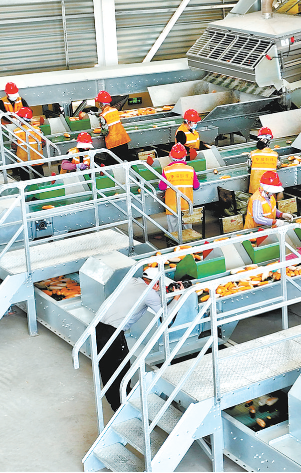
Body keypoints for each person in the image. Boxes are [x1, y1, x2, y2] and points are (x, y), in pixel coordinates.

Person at [94, 267, 172, 411]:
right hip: (113, 333)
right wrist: (177, 298)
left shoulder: (130, 281)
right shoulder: (149, 293)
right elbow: (167, 318)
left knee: (107, 368)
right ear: (156, 282)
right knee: (121, 369)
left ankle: (115, 403)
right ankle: (121, 407)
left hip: (98, 328)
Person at [159, 144, 200, 238]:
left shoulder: (166, 170)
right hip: (187, 205)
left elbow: (161, 187)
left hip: (172, 207)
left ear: (171, 156)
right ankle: (188, 243)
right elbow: (196, 186)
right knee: (188, 230)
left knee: (173, 231)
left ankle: (175, 244)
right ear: (185, 156)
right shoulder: (190, 169)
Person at [95, 91, 131, 163]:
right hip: (123, 139)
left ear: (101, 104)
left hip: (113, 143)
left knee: (115, 163)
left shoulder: (103, 115)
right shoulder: (115, 110)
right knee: (124, 160)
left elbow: (105, 131)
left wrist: (98, 131)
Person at [11, 107, 45, 181]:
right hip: (37, 158)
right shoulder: (37, 129)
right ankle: (41, 185)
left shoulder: (16, 131)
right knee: (39, 177)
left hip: (23, 159)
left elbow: (13, 146)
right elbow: (43, 143)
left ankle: (27, 187)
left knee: (25, 178)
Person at [247, 127, 278, 195]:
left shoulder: (252, 154)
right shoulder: (275, 155)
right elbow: (278, 165)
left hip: (256, 189)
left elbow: (248, 168)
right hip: (269, 189)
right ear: (269, 141)